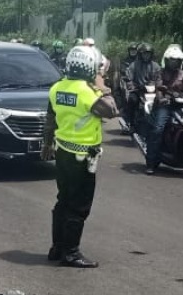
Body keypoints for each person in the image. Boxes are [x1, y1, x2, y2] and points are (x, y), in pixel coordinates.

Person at [41, 45, 118, 269]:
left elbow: (50, 119)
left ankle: (57, 247)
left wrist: (47, 144)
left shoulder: (57, 88)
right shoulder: (87, 92)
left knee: (63, 200)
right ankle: (71, 252)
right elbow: (112, 111)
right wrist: (103, 87)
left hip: (63, 152)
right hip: (83, 156)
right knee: (79, 205)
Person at [143, 44, 183, 174]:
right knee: (158, 129)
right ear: (166, 60)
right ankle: (151, 162)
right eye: (171, 60)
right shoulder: (160, 72)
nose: (174, 63)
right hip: (165, 105)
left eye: (176, 60)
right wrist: (161, 98)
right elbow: (158, 87)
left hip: (181, 105)